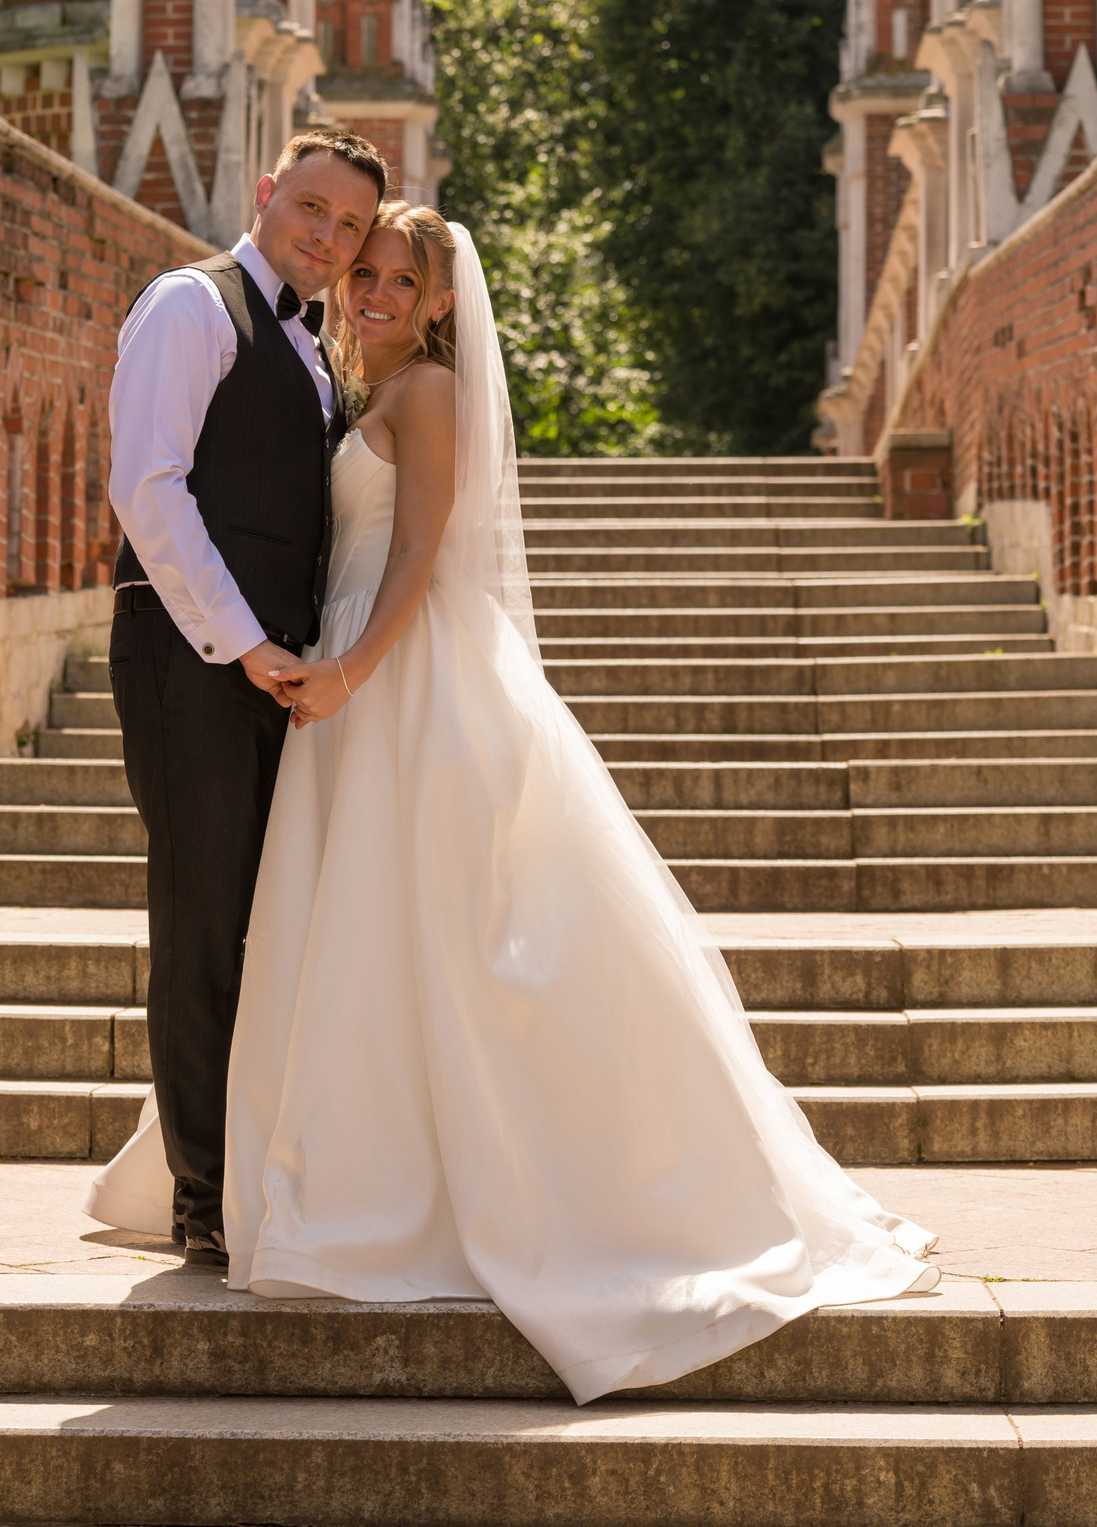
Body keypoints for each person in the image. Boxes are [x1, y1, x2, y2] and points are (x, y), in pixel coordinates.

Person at [88, 202, 940, 1404]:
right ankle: (329, 1168)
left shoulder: (423, 393)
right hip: (341, 677)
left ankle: (446, 1191)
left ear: (443, 303)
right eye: (366, 269)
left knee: (445, 932)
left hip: (405, 677)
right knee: (357, 936)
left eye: (402, 279)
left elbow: (422, 552)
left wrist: (351, 669)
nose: (376, 290)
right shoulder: (345, 375)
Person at [102, 127, 390, 1272]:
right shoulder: (190, 304)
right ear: (266, 194)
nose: (327, 237)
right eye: (312, 209)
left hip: (278, 672)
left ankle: (255, 1164)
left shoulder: (316, 347)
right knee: (202, 917)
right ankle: (201, 1192)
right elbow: (147, 484)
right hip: (192, 663)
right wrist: (243, 643)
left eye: (352, 225)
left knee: (263, 920)